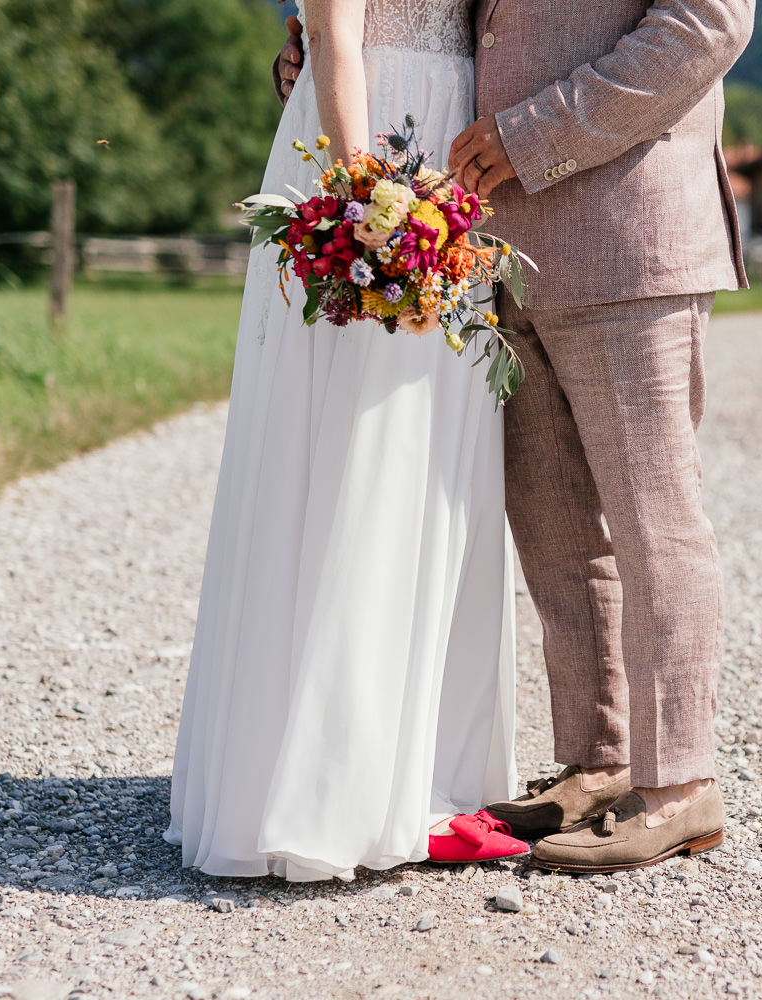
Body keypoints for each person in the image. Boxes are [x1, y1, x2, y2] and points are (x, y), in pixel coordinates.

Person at [275, 0, 754, 873]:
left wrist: (536, 132)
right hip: (493, 254)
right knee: (556, 530)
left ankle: (681, 786)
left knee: (655, 523)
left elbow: (707, 25)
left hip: (630, 240)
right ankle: (598, 762)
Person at [165, 0, 528, 883]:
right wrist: (370, 202)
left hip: (446, 147)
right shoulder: (368, 183)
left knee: (436, 463)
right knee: (362, 452)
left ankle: (426, 776)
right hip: (374, 152)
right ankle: (337, 787)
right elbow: (332, 31)